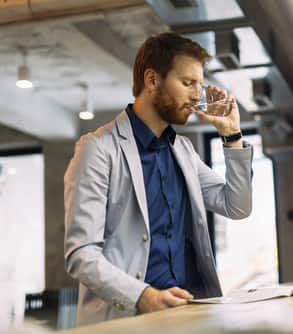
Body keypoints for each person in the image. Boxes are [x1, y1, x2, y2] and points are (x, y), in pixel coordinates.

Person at [63, 32, 253, 326]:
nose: (196, 96)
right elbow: (81, 254)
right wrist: (144, 296)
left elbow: (237, 206)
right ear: (152, 80)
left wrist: (232, 135)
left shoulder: (183, 150)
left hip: (190, 315)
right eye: (188, 83)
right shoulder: (97, 149)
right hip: (128, 321)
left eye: (199, 85)